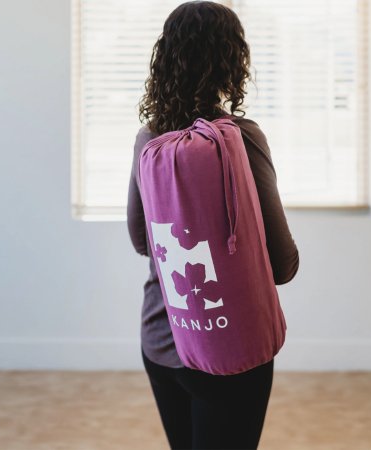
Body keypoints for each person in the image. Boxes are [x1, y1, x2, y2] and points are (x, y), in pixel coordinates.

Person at [127, 2, 299, 449]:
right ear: (232, 61)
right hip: (227, 345)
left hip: (162, 337)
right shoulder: (241, 137)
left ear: (165, 58)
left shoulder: (149, 139)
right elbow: (283, 264)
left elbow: (141, 239)